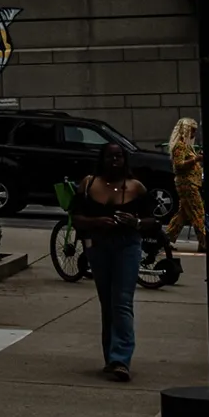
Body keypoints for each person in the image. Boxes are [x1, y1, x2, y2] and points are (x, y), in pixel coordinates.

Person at [70, 141, 148, 382]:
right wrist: (96, 223)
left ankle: (120, 359)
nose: (115, 161)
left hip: (127, 245)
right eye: (110, 157)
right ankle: (110, 356)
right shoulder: (89, 184)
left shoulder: (136, 188)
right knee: (107, 301)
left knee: (122, 301)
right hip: (98, 247)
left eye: (119, 157)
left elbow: (153, 222)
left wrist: (134, 223)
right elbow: (76, 217)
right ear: (102, 160)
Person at [166, 117, 205, 253]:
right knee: (197, 212)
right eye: (192, 131)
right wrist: (196, 159)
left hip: (189, 182)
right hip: (187, 183)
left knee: (183, 214)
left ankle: (167, 239)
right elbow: (179, 165)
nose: (194, 135)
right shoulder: (180, 145)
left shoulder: (186, 146)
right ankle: (204, 242)